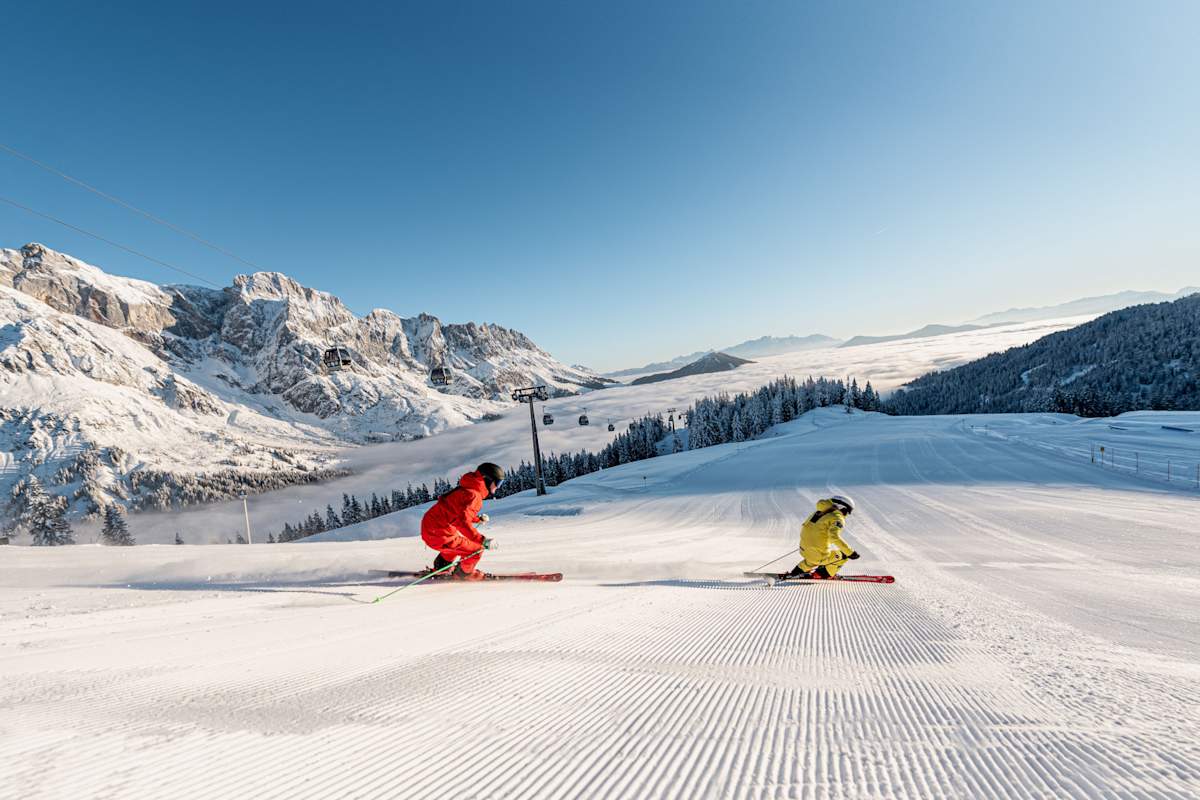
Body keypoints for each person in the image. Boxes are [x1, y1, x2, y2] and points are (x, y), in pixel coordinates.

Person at [420, 463, 504, 580]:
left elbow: (458, 512)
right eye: (498, 483)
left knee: (456, 547)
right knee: (476, 549)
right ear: (487, 480)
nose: (498, 487)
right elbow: (462, 522)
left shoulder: (466, 490)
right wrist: (482, 540)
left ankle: (441, 568)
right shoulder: (474, 495)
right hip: (439, 533)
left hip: (431, 528)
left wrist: (477, 519)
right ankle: (464, 575)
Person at [788, 494, 861, 579]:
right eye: (847, 511)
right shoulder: (837, 517)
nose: (846, 514)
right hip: (818, 554)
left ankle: (795, 573)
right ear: (842, 507)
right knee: (844, 555)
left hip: (804, 550)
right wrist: (850, 553)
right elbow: (834, 537)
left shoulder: (818, 513)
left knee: (812, 560)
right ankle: (821, 574)